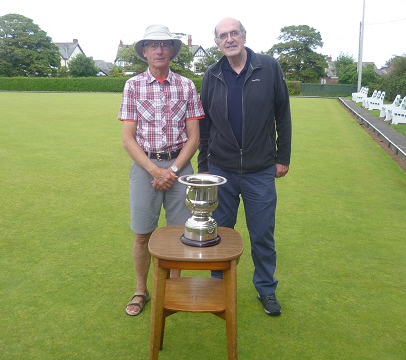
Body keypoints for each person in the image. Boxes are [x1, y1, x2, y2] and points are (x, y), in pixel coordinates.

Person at [198, 17, 292, 316]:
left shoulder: (269, 67)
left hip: (260, 170)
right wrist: (203, 167)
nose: (229, 39)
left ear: (244, 35)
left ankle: (266, 289)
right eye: (223, 35)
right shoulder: (212, 74)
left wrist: (282, 157)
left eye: (234, 33)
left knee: (262, 233)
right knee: (219, 232)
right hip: (220, 170)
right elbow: (205, 124)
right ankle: (217, 287)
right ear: (217, 42)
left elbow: (282, 114)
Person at [118, 24, 205, 316]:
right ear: (144, 51)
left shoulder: (187, 85)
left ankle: (173, 291)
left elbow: (194, 137)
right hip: (145, 168)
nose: (159, 50)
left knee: (180, 233)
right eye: (153, 45)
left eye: (164, 45)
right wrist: (155, 170)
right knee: (143, 233)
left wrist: (174, 169)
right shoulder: (133, 85)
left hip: (180, 167)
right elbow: (128, 139)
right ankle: (141, 290)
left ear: (172, 51)